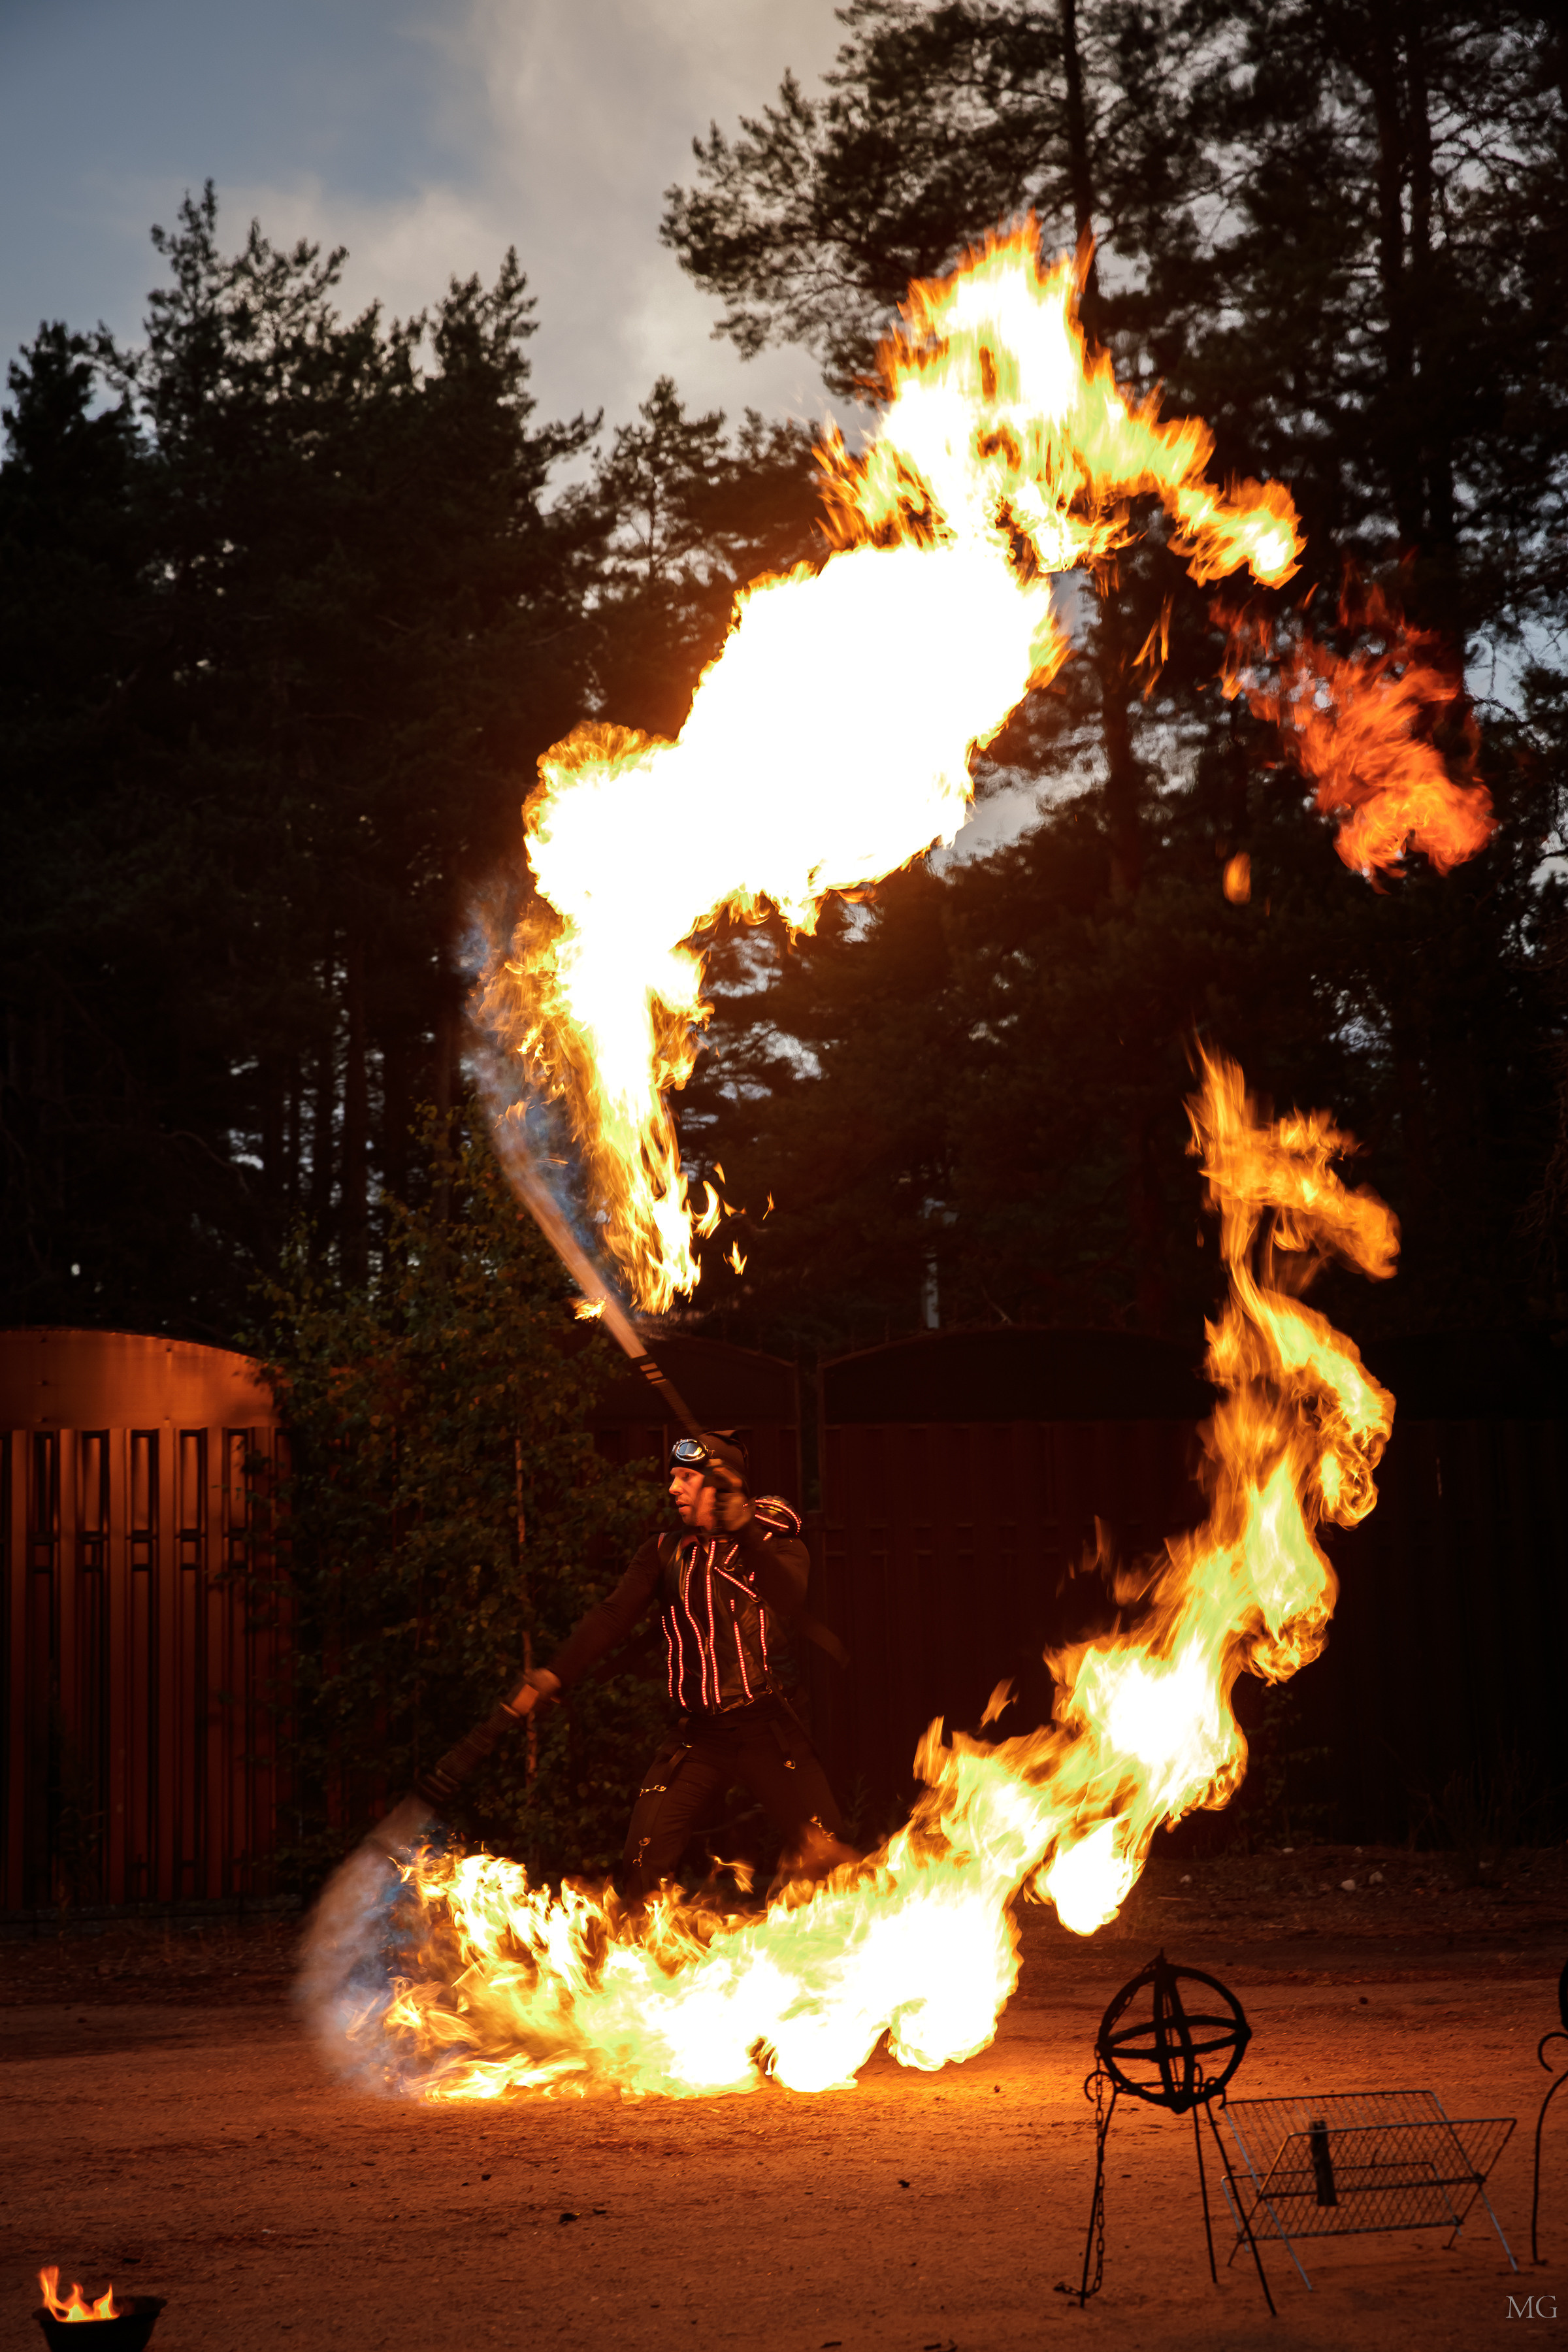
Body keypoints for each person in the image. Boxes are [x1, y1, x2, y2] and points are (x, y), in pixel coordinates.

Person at [513, 1431, 849, 1901]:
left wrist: (746, 1532)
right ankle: (642, 1945)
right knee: (643, 1863)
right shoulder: (664, 1551)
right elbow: (612, 1616)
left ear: (721, 1484)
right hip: (699, 1737)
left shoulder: (777, 1543)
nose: (672, 1488)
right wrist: (556, 1672)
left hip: (771, 1731)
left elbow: (788, 1597)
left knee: (829, 1860)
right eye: (673, 1477)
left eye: (686, 1477)